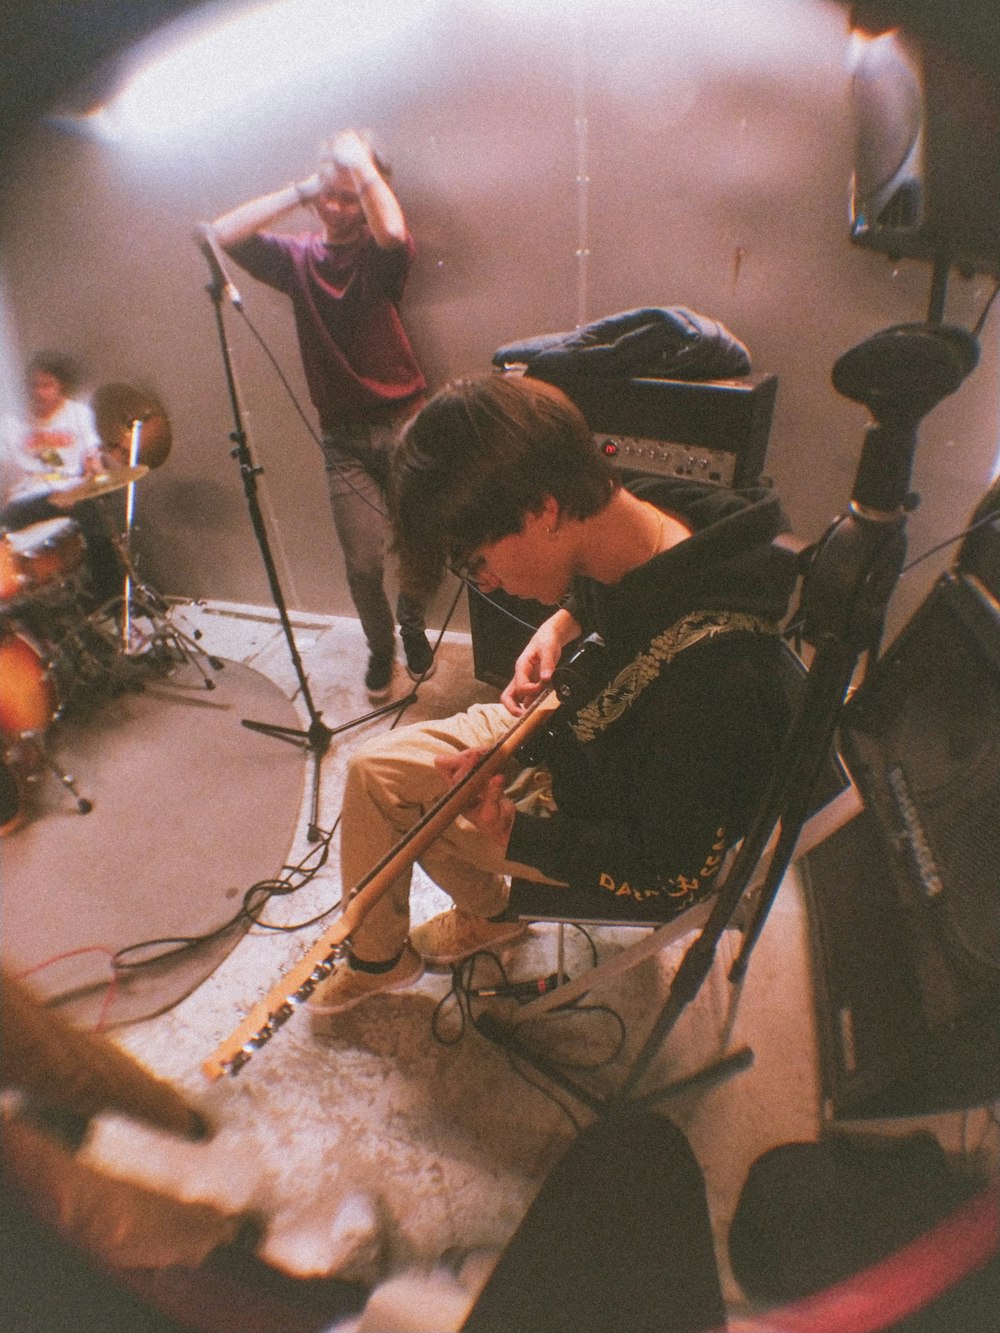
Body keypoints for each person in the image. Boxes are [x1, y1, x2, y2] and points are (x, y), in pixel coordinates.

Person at [306, 372, 799, 1014]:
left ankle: (473, 917)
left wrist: (515, 833)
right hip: (581, 726)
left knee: (419, 808)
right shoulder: (640, 511)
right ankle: (415, 946)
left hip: (607, 804)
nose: (483, 583)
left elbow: (673, 871)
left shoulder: (714, 675)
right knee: (376, 772)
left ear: (542, 512)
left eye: (477, 560)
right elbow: (625, 592)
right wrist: (562, 623)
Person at [206, 129, 433, 700]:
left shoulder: (382, 256)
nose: (336, 208)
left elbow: (393, 229)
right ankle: (382, 650)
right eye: (328, 197)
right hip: (344, 438)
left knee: (425, 541)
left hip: (407, 419)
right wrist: (306, 187)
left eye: (349, 196)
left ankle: (411, 624)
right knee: (361, 563)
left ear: (366, 196)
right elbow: (224, 234)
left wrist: (362, 170)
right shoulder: (297, 259)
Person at [0, 352, 124, 605]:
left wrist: (88, 479)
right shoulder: (12, 423)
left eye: (47, 385)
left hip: (70, 490)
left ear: (60, 386)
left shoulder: (77, 414)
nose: (39, 392)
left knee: (97, 522)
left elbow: (93, 460)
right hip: (30, 497)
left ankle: (114, 603)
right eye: (34, 386)